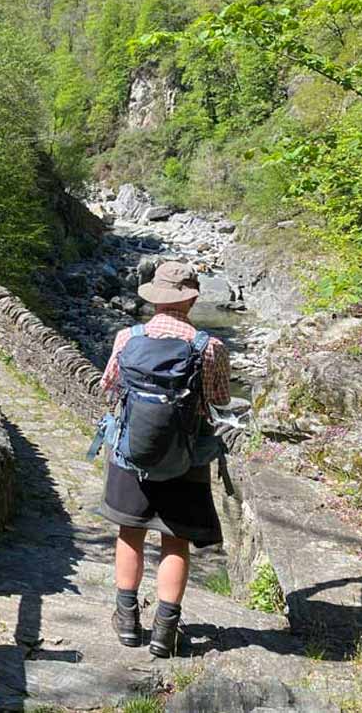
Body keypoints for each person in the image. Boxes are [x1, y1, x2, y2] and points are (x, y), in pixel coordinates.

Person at [98, 260, 230, 658]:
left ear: (154, 296)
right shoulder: (208, 347)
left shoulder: (128, 336)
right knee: (176, 541)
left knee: (130, 533)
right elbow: (220, 400)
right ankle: (164, 633)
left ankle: (126, 623)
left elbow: (109, 386)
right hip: (185, 459)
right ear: (191, 298)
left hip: (131, 455)